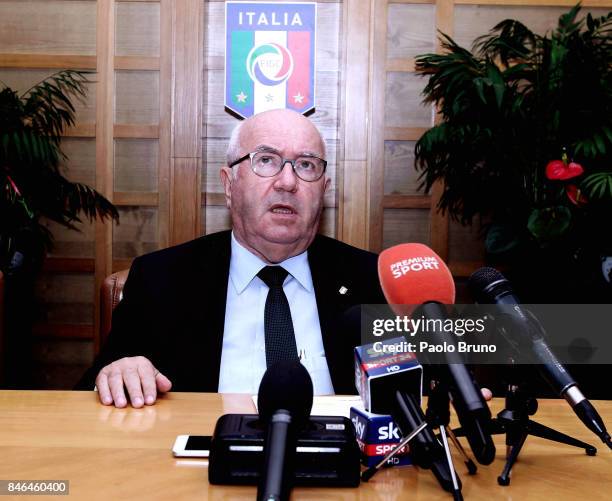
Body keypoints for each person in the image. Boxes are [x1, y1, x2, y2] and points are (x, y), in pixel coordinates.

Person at [76, 109, 386, 407]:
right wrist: (118, 373)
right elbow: (98, 386)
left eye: (306, 165)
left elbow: (420, 393)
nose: (288, 182)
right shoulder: (162, 279)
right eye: (266, 160)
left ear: (324, 190)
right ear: (228, 185)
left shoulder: (374, 280)